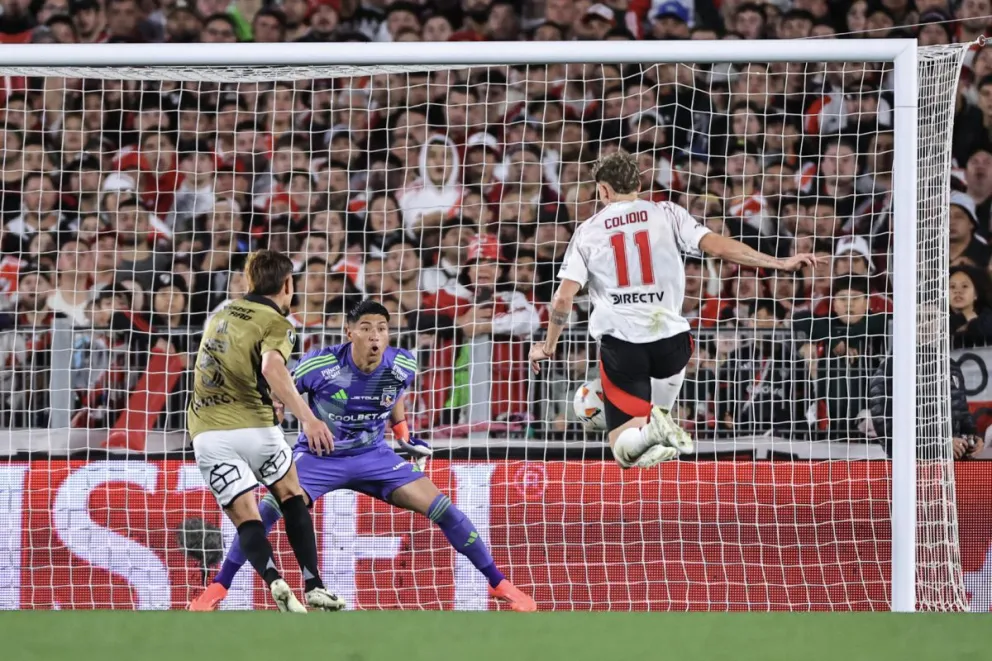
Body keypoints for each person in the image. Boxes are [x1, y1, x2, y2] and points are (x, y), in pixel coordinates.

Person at [190, 299, 537, 613]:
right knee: (265, 512)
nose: (375, 336)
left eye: (382, 329)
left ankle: (498, 582)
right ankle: (218, 587)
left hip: (374, 456)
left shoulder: (403, 363)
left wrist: (403, 434)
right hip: (319, 458)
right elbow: (282, 392)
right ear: (350, 333)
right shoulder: (319, 365)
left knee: (445, 510)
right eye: (367, 328)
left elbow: (394, 394)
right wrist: (286, 414)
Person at [528, 150, 820, 469]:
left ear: (603, 190)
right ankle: (659, 423)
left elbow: (562, 299)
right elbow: (719, 246)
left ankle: (650, 431)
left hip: (623, 348)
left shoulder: (588, 231)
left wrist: (548, 346)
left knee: (624, 452)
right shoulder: (666, 212)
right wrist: (779, 262)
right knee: (653, 423)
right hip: (673, 344)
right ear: (639, 185)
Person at [187, 249, 343, 614]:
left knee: (247, 519)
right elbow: (272, 367)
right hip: (256, 427)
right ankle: (314, 584)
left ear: (249, 280)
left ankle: (274, 579)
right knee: (291, 496)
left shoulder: (221, 313)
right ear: (288, 284)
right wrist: (308, 418)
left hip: (207, 431)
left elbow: (224, 366)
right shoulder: (276, 322)